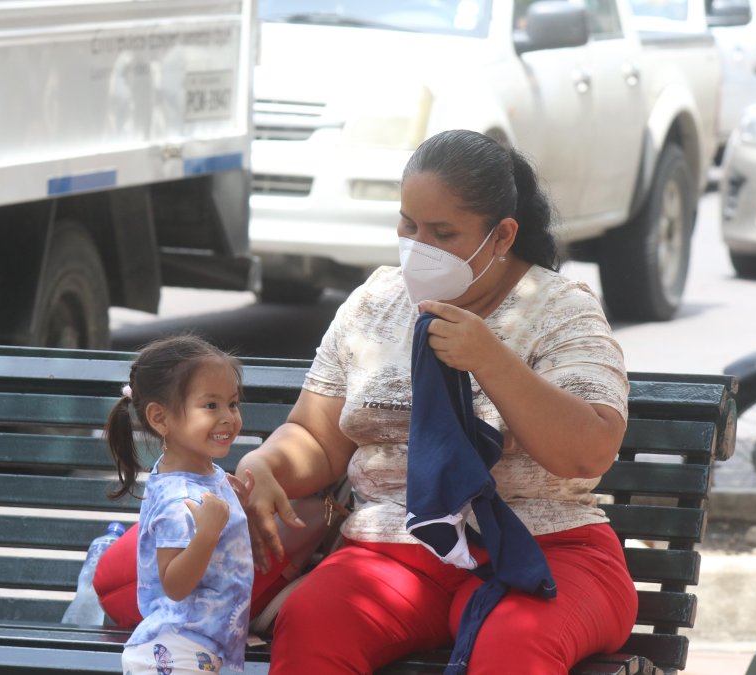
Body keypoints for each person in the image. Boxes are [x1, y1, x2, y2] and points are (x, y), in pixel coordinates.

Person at [235, 129, 639, 674]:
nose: (418, 245)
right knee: (314, 626)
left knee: (511, 649)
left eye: (443, 233)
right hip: (394, 550)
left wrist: (491, 360)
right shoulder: (373, 302)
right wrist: (266, 464)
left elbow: (589, 450)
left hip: (550, 549)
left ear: (501, 237)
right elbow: (314, 437)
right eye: (409, 225)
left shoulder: (562, 310)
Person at [105, 335, 255, 675]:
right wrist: (208, 533)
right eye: (211, 406)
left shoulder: (202, 473)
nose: (229, 417)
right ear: (161, 418)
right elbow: (174, 583)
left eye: (232, 403)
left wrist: (234, 504)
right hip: (177, 654)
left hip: (196, 645)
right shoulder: (180, 500)